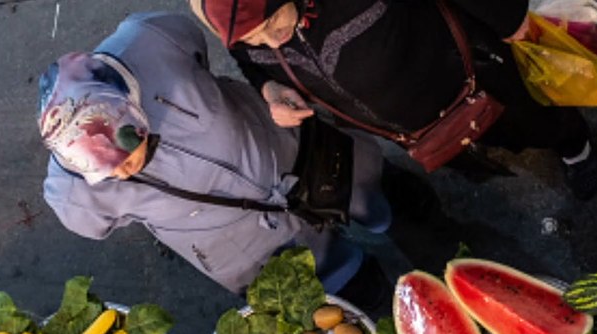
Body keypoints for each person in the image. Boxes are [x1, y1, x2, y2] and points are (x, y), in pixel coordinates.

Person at [39, 12, 394, 305]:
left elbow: (197, 47)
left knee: (386, 194)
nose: (124, 169)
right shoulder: (71, 195)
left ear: (130, 104)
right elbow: (95, 224)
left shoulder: (150, 38)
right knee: (349, 295)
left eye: (128, 146)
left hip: (300, 152)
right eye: (107, 171)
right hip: (244, 248)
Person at [190, 0, 597, 200]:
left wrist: (509, 19)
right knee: (487, 141)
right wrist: (269, 90)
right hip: (413, 129)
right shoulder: (239, 31)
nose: (268, 41)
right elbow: (249, 62)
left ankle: (576, 147)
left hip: (472, 75)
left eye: (271, 23)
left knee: (534, 121)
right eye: (252, 40)